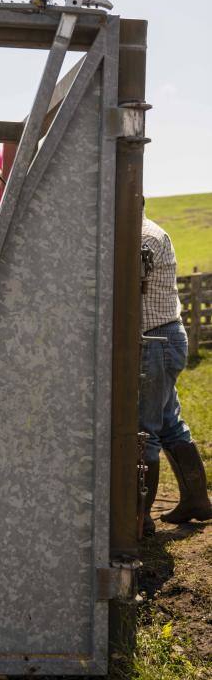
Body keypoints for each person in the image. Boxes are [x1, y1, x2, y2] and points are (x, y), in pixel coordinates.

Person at [141, 205, 212, 536]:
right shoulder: (152, 232)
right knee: (169, 421)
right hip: (163, 336)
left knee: (144, 431)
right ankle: (196, 501)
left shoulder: (142, 238)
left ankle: (137, 520)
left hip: (153, 341)